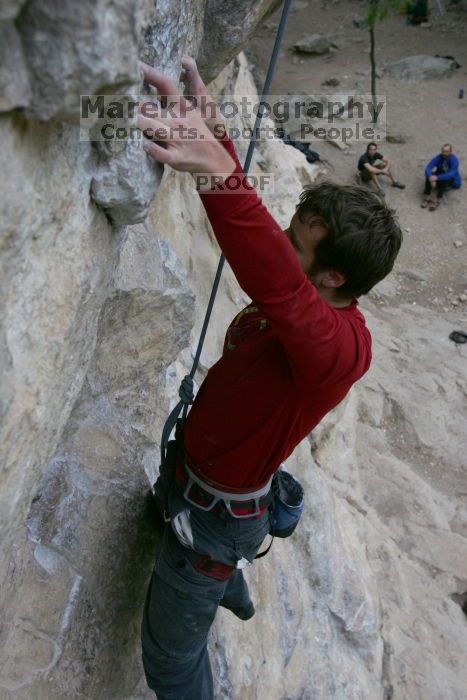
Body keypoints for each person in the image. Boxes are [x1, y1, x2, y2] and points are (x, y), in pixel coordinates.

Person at [137, 57, 402, 700]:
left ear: (334, 277)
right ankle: (226, 582)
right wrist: (213, 134)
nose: (284, 242)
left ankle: (218, 577)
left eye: (299, 242)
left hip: (214, 518)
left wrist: (217, 171)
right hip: (198, 484)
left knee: (171, 669)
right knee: (155, 519)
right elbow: (274, 264)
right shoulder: (310, 310)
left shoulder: (337, 349)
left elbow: (272, 278)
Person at [421, 144, 462, 211]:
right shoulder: (439, 157)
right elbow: (428, 168)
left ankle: (438, 200)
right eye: (443, 151)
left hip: (452, 181)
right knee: (429, 177)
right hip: (440, 175)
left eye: (446, 151)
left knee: (444, 179)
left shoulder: (454, 160)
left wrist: (437, 178)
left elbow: (450, 174)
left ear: (450, 152)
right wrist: (431, 177)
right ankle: (427, 198)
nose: (444, 153)